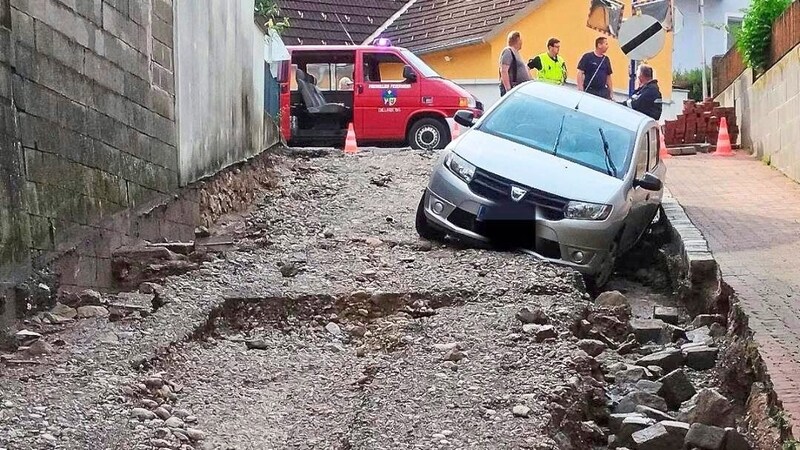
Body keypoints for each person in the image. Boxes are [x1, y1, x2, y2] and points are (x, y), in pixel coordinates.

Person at [498, 31, 531, 96]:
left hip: (518, 89)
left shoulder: (516, 53)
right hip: (513, 89)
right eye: (521, 40)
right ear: (518, 40)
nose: (522, 42)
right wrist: (508, 90)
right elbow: (504, 71)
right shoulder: (508, 51)